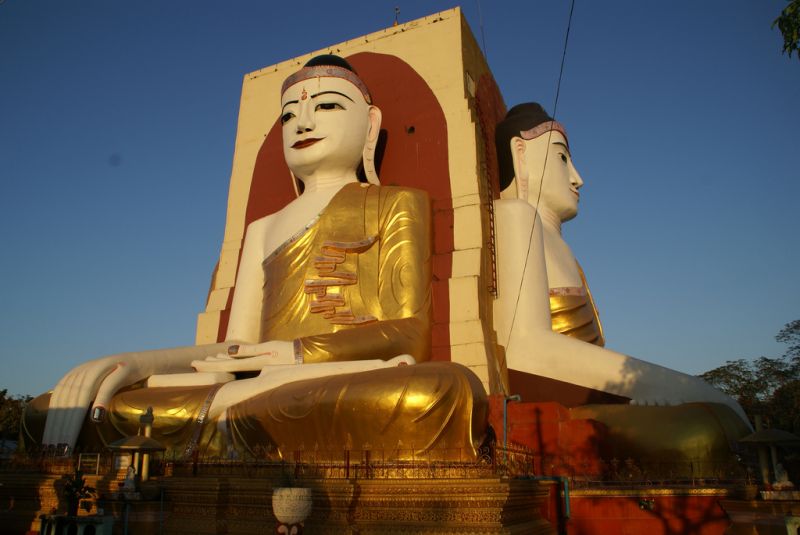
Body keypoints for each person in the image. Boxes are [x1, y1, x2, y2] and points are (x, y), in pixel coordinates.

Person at [28, 56, 487, 460]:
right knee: (51, 408)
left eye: (326, 106)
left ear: (369, 124)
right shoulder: (263, 228)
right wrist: (134, 364)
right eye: (290, 115)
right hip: (260, 388)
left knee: (437, 392)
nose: (303, 124)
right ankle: (231, 409)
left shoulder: (397, 203)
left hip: (331, 381)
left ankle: (232, 411)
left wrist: (296, 353)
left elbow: (410, 335)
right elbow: (234, 348)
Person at [492, 103, 749, 421]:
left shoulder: (564, 249)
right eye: (562, 158)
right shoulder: (514, 217)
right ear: (520, 154)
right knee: (707, 424)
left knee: (710, 418)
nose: (578, 178)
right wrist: (668, 387)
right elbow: (524, 348)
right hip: (544, 406)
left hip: (586, 397)